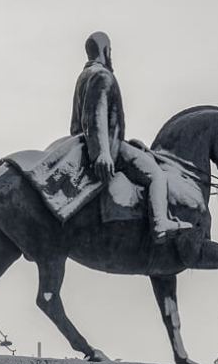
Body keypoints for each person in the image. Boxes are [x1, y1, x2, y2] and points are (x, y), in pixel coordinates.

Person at [70, 31, 192, 241]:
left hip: (98, 143)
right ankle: (160, 223)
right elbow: (95, 115)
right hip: (107, 148)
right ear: (106, 51)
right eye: (110, 51)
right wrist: (103, 153)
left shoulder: (84, 75)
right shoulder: (102, 76)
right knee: (156, 174)